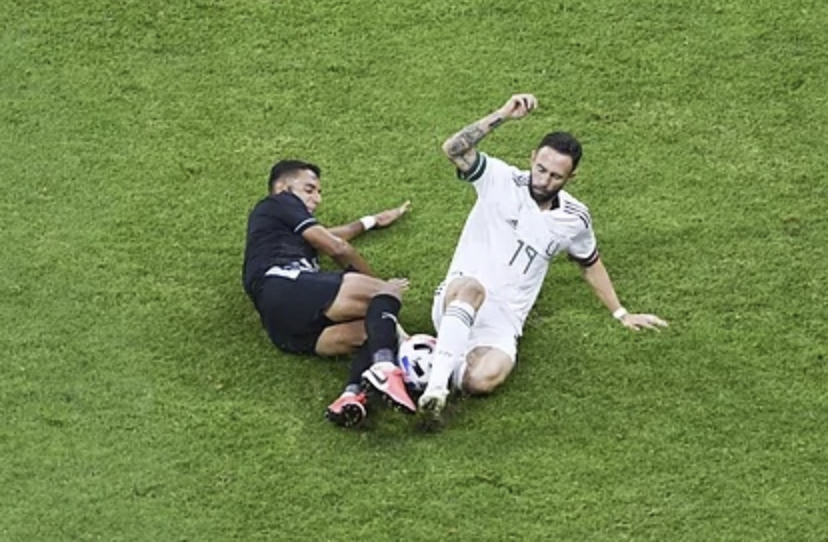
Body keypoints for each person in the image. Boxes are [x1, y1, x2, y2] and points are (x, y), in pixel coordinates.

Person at [418, 93, 669, 424]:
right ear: (532, 157)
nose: (544, 180)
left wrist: (621, 313)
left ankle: (423, 355)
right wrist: (502, 114)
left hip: (504, 320)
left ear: (570, 178)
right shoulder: (499, 179)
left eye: (555, 176)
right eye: (541, 169)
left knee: (482, 380)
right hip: (459, 295)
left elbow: (590, 262)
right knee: (473, 289)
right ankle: (435, 389)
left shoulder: (575, 218)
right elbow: (453, 149)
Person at [242, 159, 411, 358]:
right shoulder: (280, 201)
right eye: (309, 190)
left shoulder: (280, 232)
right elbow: (337, 247)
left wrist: (372, 221)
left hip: (285, 329)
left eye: (318, 192)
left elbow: (332, 234)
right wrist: (382, 289)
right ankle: (418, 348)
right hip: (284, 284)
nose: (317, 199)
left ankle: (389, 363)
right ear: (282, 188)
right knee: (385, 299)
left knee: (376, 332)